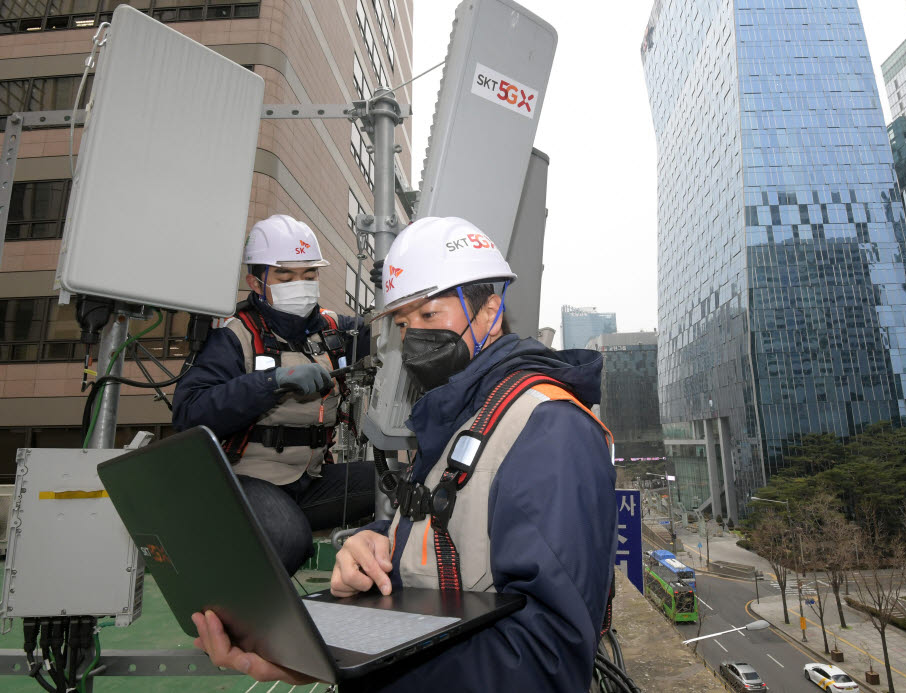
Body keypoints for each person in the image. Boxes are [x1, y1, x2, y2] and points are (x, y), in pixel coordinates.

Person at [192, 216, 618, 692]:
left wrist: (360, 670)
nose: (415, 337)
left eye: (429, 316)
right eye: (402, 322)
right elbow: (452, 523)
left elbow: (545, 662)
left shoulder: (547, 430)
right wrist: (377, 541)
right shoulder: (460, 418)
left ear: (490, 313)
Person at [173, 214, 376, 575]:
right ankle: (250, 623)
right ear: (256, 282)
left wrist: (396, 293)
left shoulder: (332, 330)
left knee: (402, 483)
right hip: (246, 481)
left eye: (309, 274)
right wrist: (271, 382)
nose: (300, 284)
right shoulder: (232, 334)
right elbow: (190, 412)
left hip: (312, 480)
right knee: (286, 538)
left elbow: (387, 337)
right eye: (285, 275)